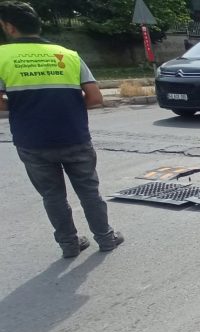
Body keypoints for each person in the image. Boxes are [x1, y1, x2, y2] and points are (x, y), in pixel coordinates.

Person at [0, 1, 123, 258]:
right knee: (89, 191)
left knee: (52, 195)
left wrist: (23, 107)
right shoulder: (68, 55)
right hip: (74, 135)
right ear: (38, 24)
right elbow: (94, 97)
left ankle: (69, 244)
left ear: (9, 27)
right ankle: (106, 238)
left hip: (32, 141)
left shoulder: (2, 57)